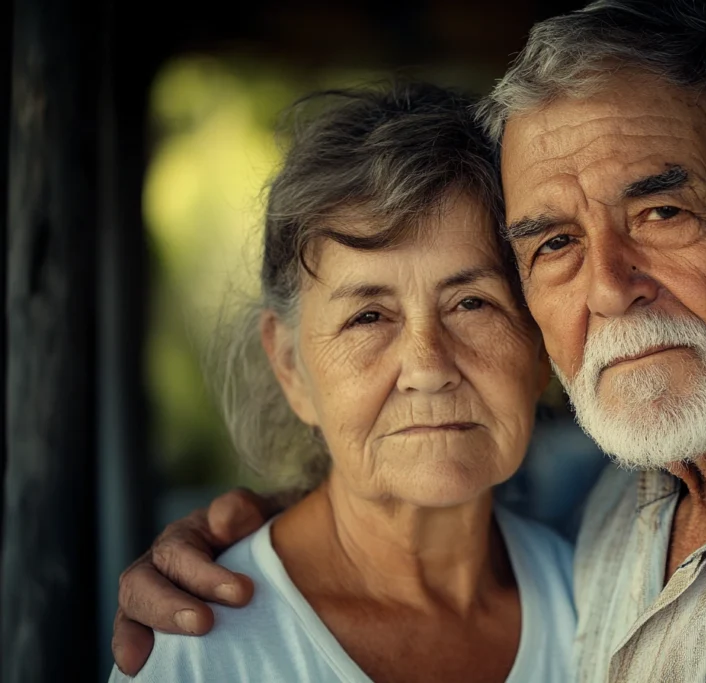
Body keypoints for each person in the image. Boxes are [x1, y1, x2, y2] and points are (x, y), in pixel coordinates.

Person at [115, 1, 706, 681]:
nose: (607, 288)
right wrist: (274, 526)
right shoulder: (611, 507)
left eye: (663, 210)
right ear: (290, 365)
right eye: (554, 242)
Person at [109, 82, 576, 682]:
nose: (428, 367)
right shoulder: (201, 648)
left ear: (539, 347)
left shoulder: (594, 599)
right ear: (289, 367)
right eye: (368, 316)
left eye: (471, 304)